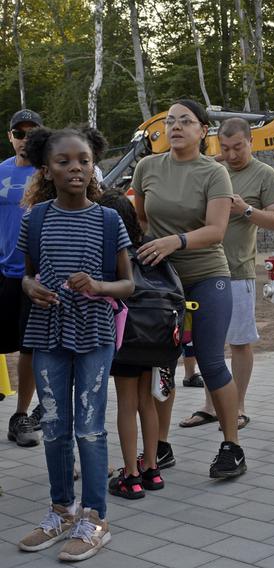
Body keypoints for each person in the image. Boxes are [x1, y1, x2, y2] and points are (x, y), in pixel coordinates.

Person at [16, 127, 134, 561]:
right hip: (47, 332)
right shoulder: (36, 218)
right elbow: (27, 272)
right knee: (54, 426)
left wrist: (100, 285)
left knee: (88, 425)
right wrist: (32, 288)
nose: (75, 168)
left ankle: (95, 517)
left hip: (94, 334)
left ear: (93, 164)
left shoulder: (108, 219)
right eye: (64, 161)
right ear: (47, 169)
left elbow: (129, 284)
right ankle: (62, 510)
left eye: (82, 160)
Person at [132, 99, 247, 479]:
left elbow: (215, 230)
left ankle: (232, 446)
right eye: (170, 121)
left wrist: (174, 242)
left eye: (185, 121)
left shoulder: (214, 173)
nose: (175, 127)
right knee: (161, 363)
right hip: (161, 283)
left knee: (212, 361)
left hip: (206, 275)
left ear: (202, 130)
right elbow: (141, 218)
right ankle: (159, 448)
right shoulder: (147, 166)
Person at [178, 118, 274, 431]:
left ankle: (237, 407)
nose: (232, 154)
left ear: (251, 141)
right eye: (225, 148)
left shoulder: (265, 174)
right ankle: (211, 407)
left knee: (239, 342)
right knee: (204, 344)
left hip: (237, 271)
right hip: (199, 269)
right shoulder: (211, 169)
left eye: (238, 146)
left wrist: (246, 210)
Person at [99, 191, 167, 500]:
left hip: (126, 336)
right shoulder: (148, 247)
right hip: (153, 336)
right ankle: (152, 469)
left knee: (126, 404)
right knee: (146, 401)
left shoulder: (110, 252)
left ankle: (131, 475)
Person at [1, 109, 42, 447]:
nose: (24, 139)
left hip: (37, 275)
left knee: (30, 348)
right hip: (3, 271)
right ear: (10, 136)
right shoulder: (0, 171)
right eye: (19, 132)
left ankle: (21, 416)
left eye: (32, 132)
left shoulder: (51, 172)